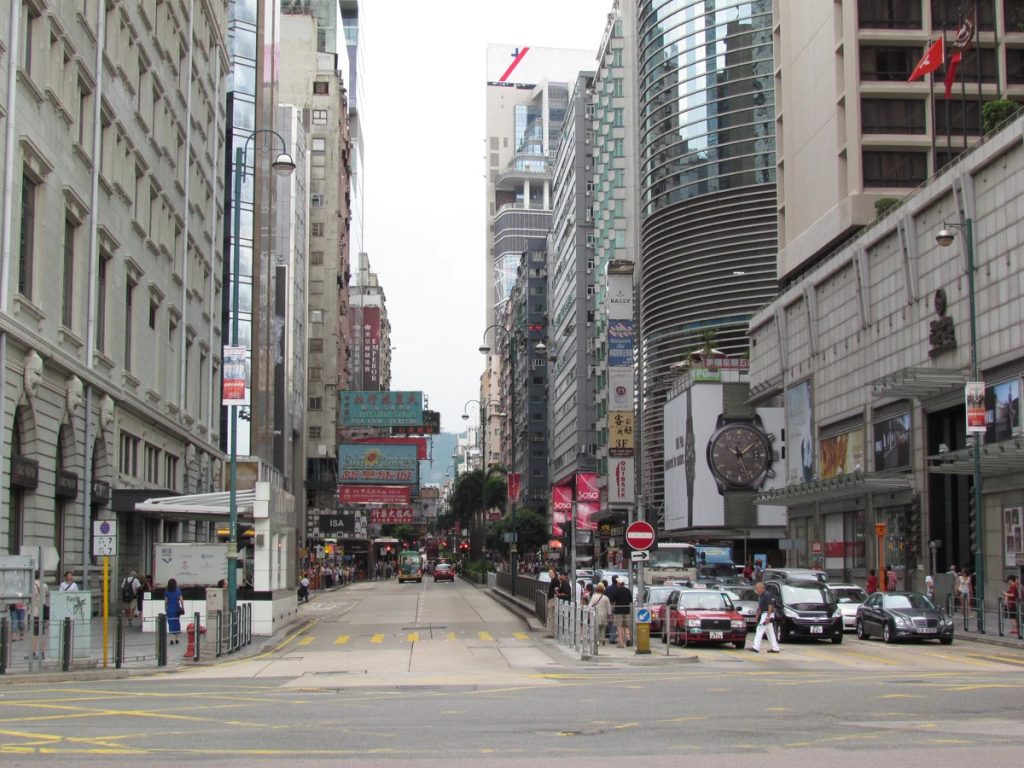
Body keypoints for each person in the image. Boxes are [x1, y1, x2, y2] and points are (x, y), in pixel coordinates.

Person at [749, 582, 780, 653]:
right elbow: (760, 607)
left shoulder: (767, 595)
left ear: (761, 588)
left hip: (767, 614)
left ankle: (756, 647)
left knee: (759, 629)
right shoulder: (761, 596)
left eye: (757, 588)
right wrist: (757, 616)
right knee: (770, 632)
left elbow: (770, 607)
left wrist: (768, 618)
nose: (756, 590)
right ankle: (775, 648)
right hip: (764, 614)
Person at [608, 576, 632, 648]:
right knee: (626, 626)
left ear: (618, 583)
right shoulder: (628, 591)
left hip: (618, 611)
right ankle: (628, 639)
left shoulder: (615, 591)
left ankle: (621, 643)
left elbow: (612, 601)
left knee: (619, 626)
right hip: (627, 610)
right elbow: (630, 601)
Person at [30, 576, 49, 659]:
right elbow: (47, 596)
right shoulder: (45, 585)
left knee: (34, 633)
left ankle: (33, 653)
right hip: (43, 611)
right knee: (42, 633)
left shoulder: (31, 586)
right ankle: (42, 653)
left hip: (35, 611)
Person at [165, 578, 184, 645]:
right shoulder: (178, 591)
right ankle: (176, 639)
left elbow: (166, 601)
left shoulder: (167, 592)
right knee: (176, 622)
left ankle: (171, 639)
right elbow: (181, 600)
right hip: (176, 608)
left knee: (170, 623)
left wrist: (165, 608)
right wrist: (183, 607)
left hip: (169, 608)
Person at [545, 568, 558, 637]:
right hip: (551, 598)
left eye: (550, 572)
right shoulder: (553, 580)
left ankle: (552, 633)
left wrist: (555, 600)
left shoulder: (555, 580)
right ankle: (551, 632)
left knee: (551, 616)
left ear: (554, 573)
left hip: (553, 599)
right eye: (549, 572)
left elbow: (556, 590)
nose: (549, 574)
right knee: (550, 616)